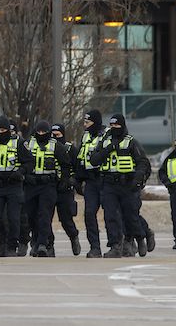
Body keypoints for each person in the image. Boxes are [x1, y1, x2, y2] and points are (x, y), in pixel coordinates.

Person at [89, 114, 150, 258]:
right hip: (109, 184)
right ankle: (115, 245)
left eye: (117, 125)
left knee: (130, 216)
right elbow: (94, 160)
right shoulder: (104, 142)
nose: (114, 128)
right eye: (112, 125)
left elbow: (143, 162)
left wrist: (137, 178)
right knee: (110, 216)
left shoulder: (131, 142)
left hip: (128, 184)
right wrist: (108, 149)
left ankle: (139, 238)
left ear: (122, 126)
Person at [21, 120, 73, 257]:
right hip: (31, 184)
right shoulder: (28, 144)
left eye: (44, 132)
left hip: (48, 185)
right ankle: (36, 241)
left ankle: (43, 244)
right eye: (39, 132)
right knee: (31, 216)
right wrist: (25, 176)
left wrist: (64, 180)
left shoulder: (55, 145)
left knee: (44, 215)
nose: (41, 134)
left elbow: (65, 164)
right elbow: (22, 162)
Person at [0, 116, 30, 257]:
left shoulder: (19, 143)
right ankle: (2, 244)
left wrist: (19, 172)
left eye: (3, 129)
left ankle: (12, 246)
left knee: (13, 218)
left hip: (14, 185)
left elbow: (30, 162)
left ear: (9, 130)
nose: (1, 132)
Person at [74, 110, 106, 258]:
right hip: (91, 181)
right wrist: (78, 179)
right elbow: (81, 158)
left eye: (88, 122)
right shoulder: (85, 136)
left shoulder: (106, 136)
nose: (85, 126)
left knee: (114, 213)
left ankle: (122, 242)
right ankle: (95, 247)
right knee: (89, 214)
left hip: (106, 180)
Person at [50, 123, 82, 256]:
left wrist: (72, 180)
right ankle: (48, 245)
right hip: (50, 187)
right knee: (45, 218)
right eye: (52, 135)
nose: (54, 138)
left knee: (66, 219)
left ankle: (74, 236)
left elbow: (78, 168)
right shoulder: (48, 147)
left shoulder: (70, 149)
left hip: (65, 189)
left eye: (57, 135)